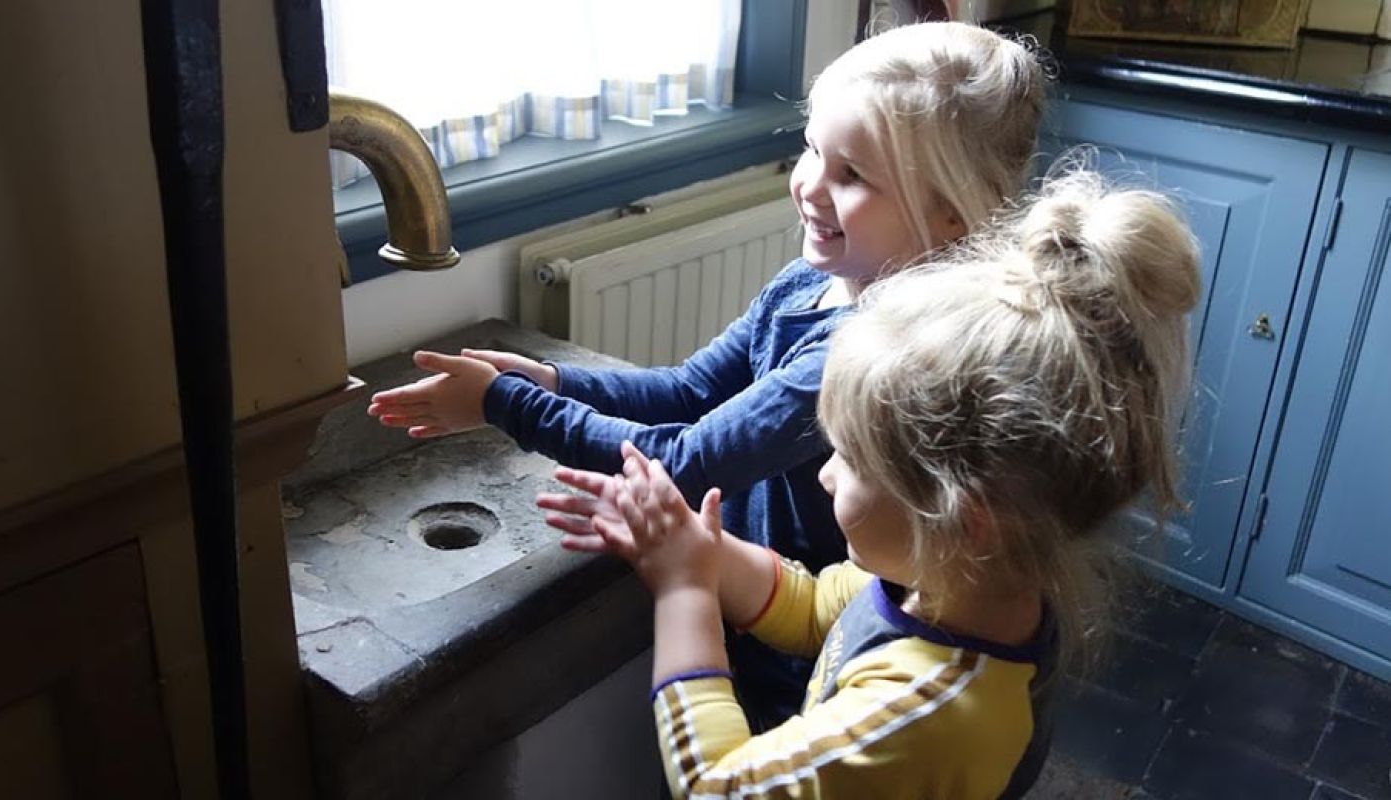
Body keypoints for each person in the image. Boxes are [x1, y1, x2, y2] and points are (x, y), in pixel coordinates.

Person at [365, 21, 1048, 729]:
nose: (811, 184)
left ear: (950, 212)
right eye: (811, 149)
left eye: (852, 176)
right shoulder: (808, 286)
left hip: (806, 650)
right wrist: (550, 381)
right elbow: (689, 391)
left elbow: (683, 462)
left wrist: (507, 405)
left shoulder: (868, 352)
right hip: (756, 595)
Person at [542, 171, 1202, 798]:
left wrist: (683, 591)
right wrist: (704, 552)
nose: (826, 473)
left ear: (960, 514)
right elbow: (819, 607)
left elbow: (718, 788)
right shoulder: (953, 581)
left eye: (850, 458)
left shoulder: (928, 712)